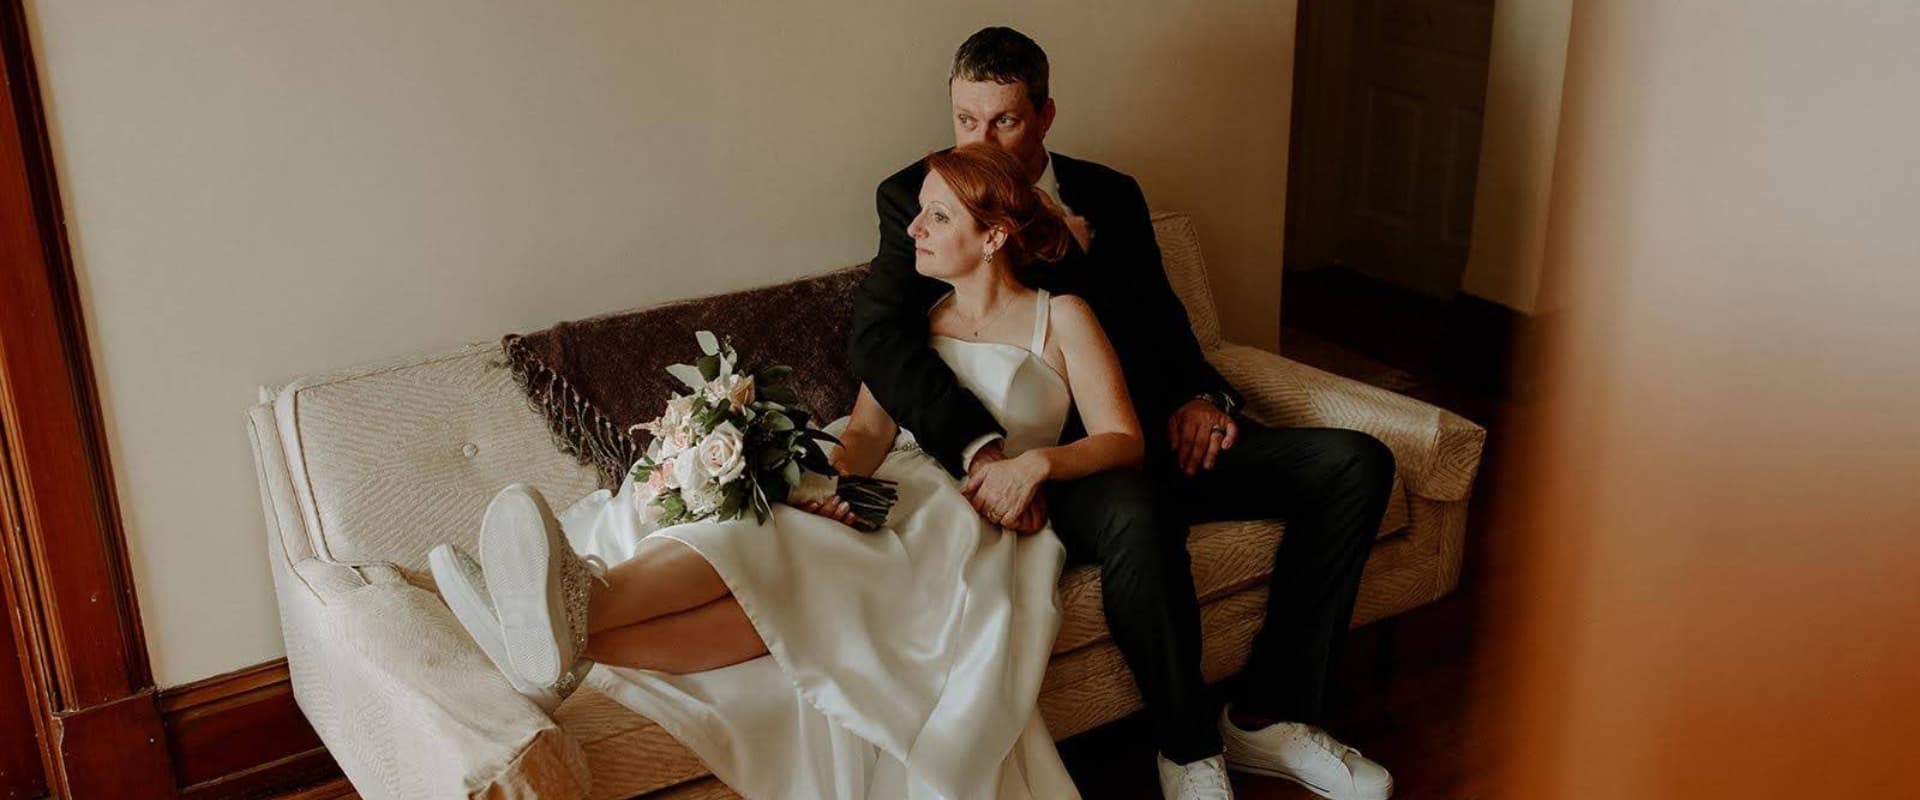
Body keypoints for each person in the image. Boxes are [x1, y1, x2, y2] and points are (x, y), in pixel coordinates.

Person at [430, 144, 1139, 799]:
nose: (914, 227)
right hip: (888, 486)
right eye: (920, 209)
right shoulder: (913, 331)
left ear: (993, 237)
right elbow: (866, 432)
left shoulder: (1062, 317)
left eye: (938, 215)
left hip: (968, 518)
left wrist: (1040, 462)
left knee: (796, 579)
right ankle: (575, 614)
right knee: (765, 539)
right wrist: (826, 483)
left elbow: (1121, 438)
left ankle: (563, 611)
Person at [850, 27, 1397, 800]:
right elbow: (881, 339)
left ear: (1043, 115)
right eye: (965, 121)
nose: (982, 141)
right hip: (1056, 465)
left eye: (1002, 120)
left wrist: (1204, 398)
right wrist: (984, 453)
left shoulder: (1110, 193)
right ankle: (1187, 751)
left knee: (1355, 464)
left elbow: (1157, 321)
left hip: (1146, 429)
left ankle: (1270, 718)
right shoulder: (918, 196)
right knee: (1137, 510)